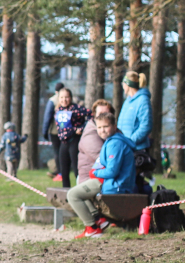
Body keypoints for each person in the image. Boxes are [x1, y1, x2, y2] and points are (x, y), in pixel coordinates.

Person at [67, 111, 134, 239]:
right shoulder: (111, 141)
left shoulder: (115, 144)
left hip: (114, 183)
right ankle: (99, 220)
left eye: (106, 126)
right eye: (99, 127)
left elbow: (112, 171)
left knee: (72, 195)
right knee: (81, 189)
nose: (102, 130)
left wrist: (95, 172)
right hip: (109, 181)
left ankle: (91, 228)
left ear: (114, 127)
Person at [52, 88, 89, 188]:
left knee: (77, 170)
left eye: (67, 97)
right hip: (63, 143)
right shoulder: (58, 109)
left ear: (71, 98)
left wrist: (81, 128)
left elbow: (91, 115)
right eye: (62, 97)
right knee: (64, 171)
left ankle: (80, 191)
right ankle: (66, 193)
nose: (64, 100)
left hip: (74, 141)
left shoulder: (76, 109)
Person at [76, 100, 113, 182]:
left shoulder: (115, 131)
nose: (103, 117)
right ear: (94, 116)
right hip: (91, 179)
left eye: (106, 114)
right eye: (100, 114)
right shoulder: (90, 133)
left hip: (108, 177)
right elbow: (101, 158)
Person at [118, 71, 152, 151]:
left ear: (128, 84)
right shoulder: (127, 101)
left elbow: (146, 125)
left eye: (123, 84)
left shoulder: (143, 100)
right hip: (125, 147)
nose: (122, 86)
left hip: (138, 149)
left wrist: (130, 141)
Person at [42, 82, 65, 179]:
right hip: (68, 131)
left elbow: (47, 117)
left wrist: (45, 131)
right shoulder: (69, 98)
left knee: (57, 152)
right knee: (64, 152)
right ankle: (60, 171)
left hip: (55, 131)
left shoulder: (52, 100)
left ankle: (60, 173)